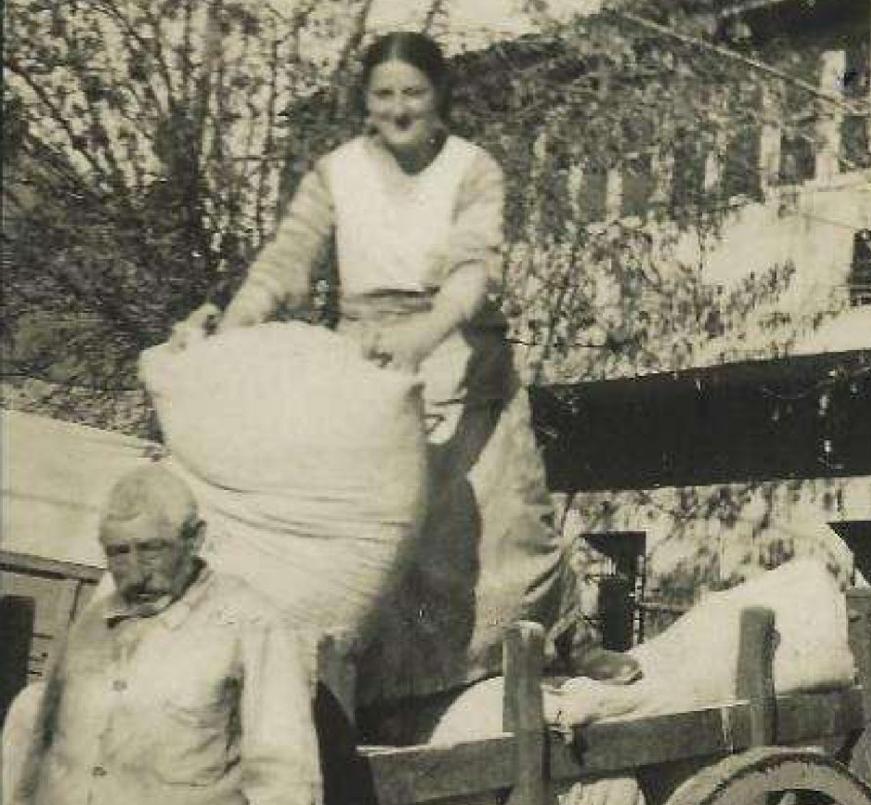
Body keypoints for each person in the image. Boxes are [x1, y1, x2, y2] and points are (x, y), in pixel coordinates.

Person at [176, 31, 639, 739]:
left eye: (413, 94)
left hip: (461, 357)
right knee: (389, 538)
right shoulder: (337, 173)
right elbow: (288, 259)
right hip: (369, 368)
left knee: (509, 521)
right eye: (384, 94)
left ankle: (565, 642)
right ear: (366, 102)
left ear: (439, 98)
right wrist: (238, 322)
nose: (399, 109)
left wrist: (423, 337)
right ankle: (394, 696)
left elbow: (470, 271)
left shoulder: (471, 170)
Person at [9, 463, 322, 805]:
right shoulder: (90, 627)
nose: (136, 572)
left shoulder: (250, 625)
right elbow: (36, 757)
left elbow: (283, 775)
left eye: (152, 549)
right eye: (119, 553)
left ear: (195, 540)